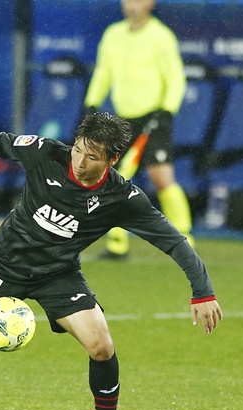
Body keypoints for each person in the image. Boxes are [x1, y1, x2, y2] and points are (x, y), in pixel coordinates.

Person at [0, 112, 222, 410]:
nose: (80, 162)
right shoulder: (46, 154)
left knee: (101, 344)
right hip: (2, 264)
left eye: (92, 157)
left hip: (57, 274)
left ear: (112, 159)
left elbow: (174, 242)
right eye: (79, 150)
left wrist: (202, 291)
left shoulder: (122, 198)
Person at [84, 0, 193, 259]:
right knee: (113, 179)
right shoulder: (113, 35)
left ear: (150, 4)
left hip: (154, 117)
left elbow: (176, 77)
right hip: (123, 120)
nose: (130, 5)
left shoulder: (161, 36)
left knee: (161, 177)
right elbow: (103, 73)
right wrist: (92, 103)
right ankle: (117, 244)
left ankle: (185, 241)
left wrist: (167, 110)